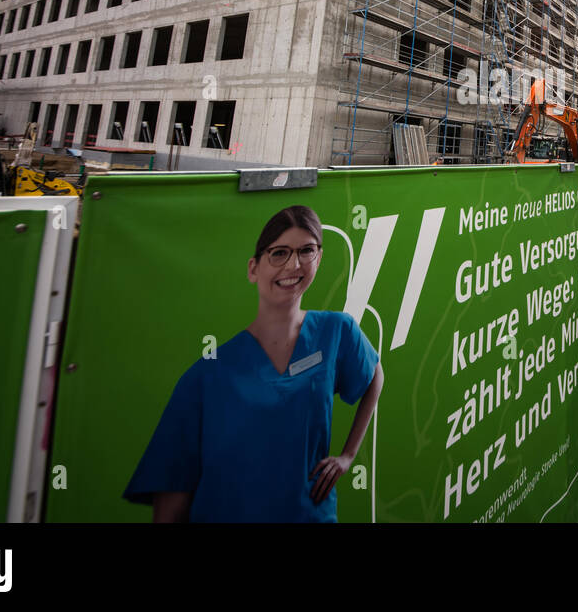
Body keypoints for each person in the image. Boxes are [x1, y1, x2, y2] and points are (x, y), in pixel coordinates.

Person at [123, 205, 384, 522]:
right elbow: (172, 498)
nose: (293, 264)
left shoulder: (336, 332)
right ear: (253, 268)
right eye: (279, 253)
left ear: (319, 259)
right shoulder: (207, 375)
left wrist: (347, 456)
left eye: (306, 251)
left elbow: (374, 376)